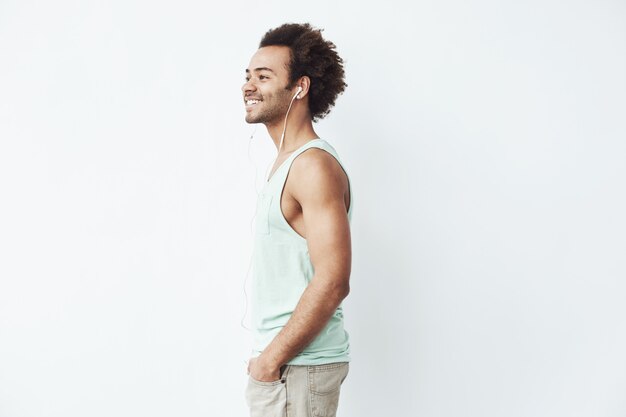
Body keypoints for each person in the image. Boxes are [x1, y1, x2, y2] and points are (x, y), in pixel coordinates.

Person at [241, 23, 353, 417]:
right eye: (248, 75)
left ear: (300, 88)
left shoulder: (313, 167)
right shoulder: (287, 164)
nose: (249, 86)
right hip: (288, 369)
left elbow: (334, 280)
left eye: (264, 76)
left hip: (299, 369)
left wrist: (271, 360)